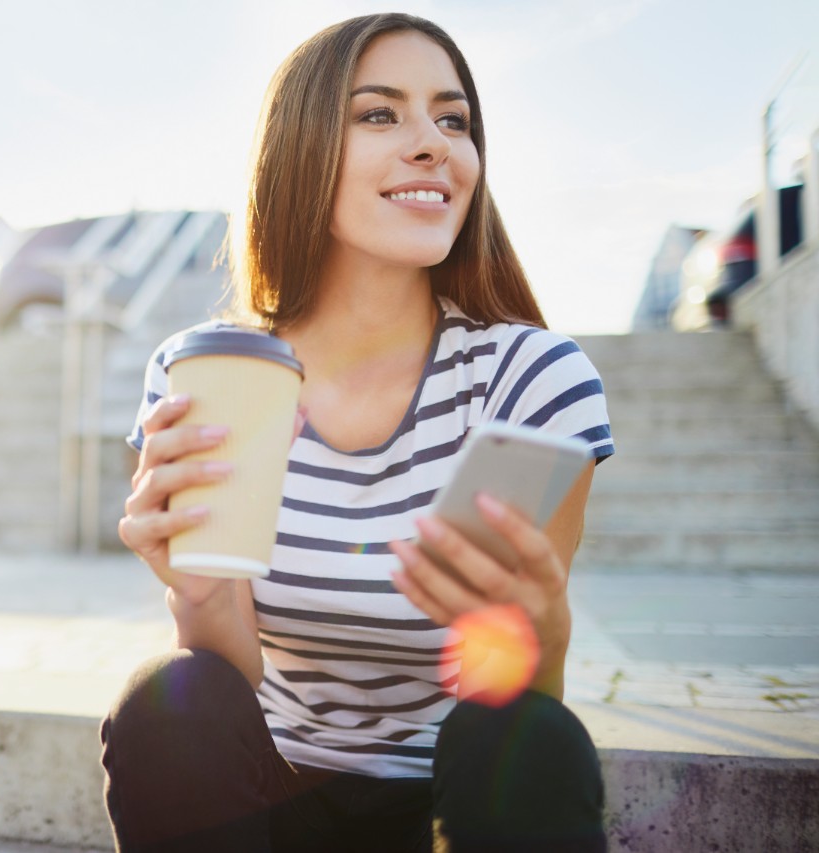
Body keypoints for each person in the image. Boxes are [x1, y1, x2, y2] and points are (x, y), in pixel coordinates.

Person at [103, 13, 613, 853]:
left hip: (449, 799)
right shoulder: (213, 372)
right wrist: (196, 592)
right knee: (170, 698)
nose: (433, 144)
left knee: (529, 741)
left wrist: (543, 625)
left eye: (453, 120)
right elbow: (226, 678)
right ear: (299, 150)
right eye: (381, 114)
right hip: (273, 796)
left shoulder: (532, 377)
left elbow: (516, 697)